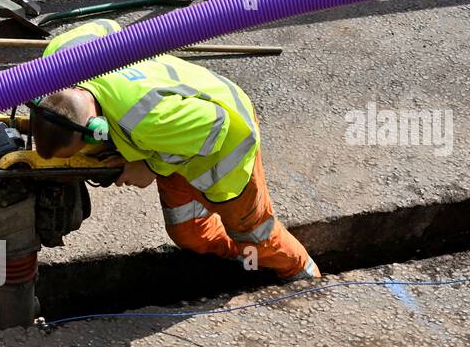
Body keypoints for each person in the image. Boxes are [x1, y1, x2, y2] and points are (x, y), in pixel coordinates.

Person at [32, 19, 320, 283]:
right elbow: (106, 25)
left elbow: (216, 128)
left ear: (97, 127)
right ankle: (244, 266)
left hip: (225, 141)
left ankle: (303, 274)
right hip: (176, 134)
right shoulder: (58, 56)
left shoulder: (149, 120)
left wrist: (150, 167)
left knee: (253, 232)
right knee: (189, 232)